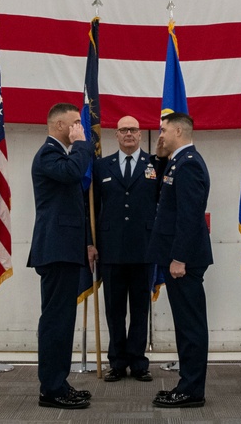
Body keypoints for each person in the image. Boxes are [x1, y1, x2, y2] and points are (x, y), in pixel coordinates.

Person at [28, 103, 96, 410]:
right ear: (59, 126)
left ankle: (59, 381)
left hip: (65, 249)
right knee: (56, 320)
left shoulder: (60, 153)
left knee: (63, 319)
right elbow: (71, 175)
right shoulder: (48, 154)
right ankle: (51, 389)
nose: (80, 128)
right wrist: (82, 144)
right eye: (75, 123)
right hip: (55, 250)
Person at [146, 112, 212, 408]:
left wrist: (179, 258)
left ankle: (192, 390)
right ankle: (187, 384)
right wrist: (160, 159)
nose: (160, 135)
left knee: (191, 326)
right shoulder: (177, 161)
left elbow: (189, 216)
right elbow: (167, 199)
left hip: (183, 260)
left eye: (163, 130)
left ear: (178, 131)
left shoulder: (189, 165)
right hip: (177, 257)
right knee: (185, 326)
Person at [90, 116, 158, 383]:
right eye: (123, 130)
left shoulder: (154, 164)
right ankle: (117, 362)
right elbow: (93, 208)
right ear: (116, 135)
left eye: (133, 130)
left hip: (145, 248)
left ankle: (139, 363)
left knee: (140, 308)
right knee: (114, 309)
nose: (128, 134)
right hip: (112, 249)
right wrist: (90, 242)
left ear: (140, 135)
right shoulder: (101, 166)